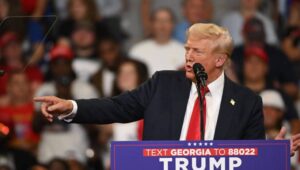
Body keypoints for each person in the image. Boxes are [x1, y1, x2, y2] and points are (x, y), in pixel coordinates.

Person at [34, 23, 300, 155]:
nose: (188, 56)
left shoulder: (246, 101)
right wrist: (71, 107)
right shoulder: (163, 84)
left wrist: (272, 156)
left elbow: (250, 157)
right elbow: (117, 107)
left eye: (197, 51)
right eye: (187, 49)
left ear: (220, 60)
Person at [130, 8, 185, 76]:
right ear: (151, 24)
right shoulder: (137, 50)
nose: (162, 25)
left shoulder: (184, 51)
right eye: (158, 20)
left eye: (166, 21)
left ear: (173, 24)